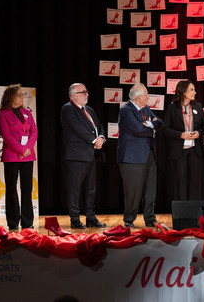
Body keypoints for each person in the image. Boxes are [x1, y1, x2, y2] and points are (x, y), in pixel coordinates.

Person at [61, 83, 107, 229]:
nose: (87, 94)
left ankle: (90, 217)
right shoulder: (68, 109)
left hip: (91, 154)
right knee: (75, 189)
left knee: (90, 188)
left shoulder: (90, 110)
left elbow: (99, 126)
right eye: (84, 92)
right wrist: (94, 140)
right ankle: (75, 218)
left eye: (87, 92)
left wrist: (101, 137)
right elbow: (78, 129)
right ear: (74, 95)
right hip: (76, 155)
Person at [117, 83, 163, 228]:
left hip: (149, 154)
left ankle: (150, 218)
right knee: (133, 190)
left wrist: (147, 124)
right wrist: (151, 128)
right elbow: (137, 129)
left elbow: (160, 122)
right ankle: (129, 219)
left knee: (150, 189)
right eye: (146, 95)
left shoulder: (146, 109)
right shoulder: (126, 110)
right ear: (138, 97)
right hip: (132, 157)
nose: (149, 98)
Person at [0, 84, 38, 230]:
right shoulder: (2, 114)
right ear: (11, 97)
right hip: (12, 156)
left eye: (22, 95)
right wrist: (21, 149)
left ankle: (28, 222)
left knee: (27, 188)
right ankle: (13, 222)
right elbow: (6, 135)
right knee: (12, 189)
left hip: (27, 156)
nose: (22, 97)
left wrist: (27, 149)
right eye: (19, 94)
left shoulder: (27, 112)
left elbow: (34, 132)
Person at [163, 80, 204, 200]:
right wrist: (180, 135)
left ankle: (195, 213)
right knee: (180, 181)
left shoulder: (198, 106)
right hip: (179, 151)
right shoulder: (172, 108)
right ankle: (181, 214)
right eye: (192, 90)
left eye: (194, 89)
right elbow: (165, 129)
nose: (195, 92)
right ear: (183, 92)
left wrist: (198, 133)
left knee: (195, 182)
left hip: (195, 150)